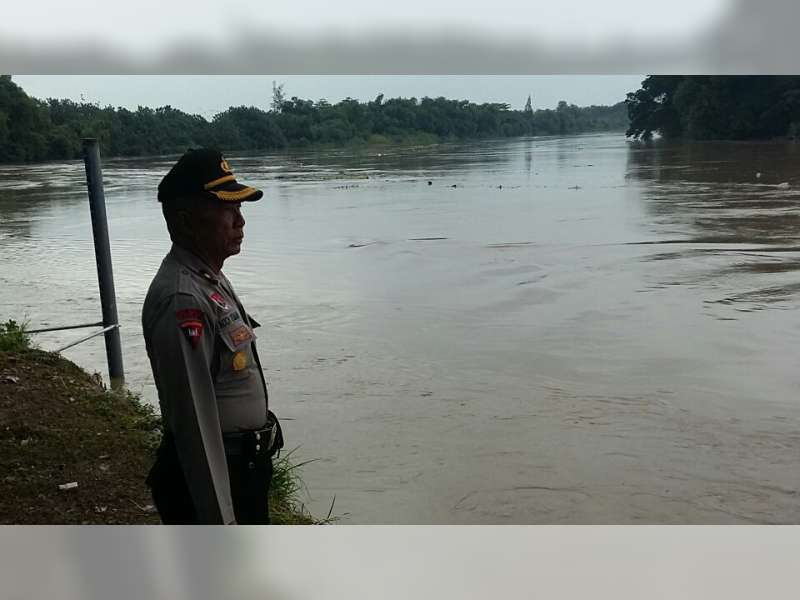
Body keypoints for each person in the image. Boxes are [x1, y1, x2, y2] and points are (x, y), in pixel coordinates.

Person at [142, 148, 282, 524]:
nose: (240, 221)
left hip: (244, 469)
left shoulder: (209, 275)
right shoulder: (182, 298)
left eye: (240, 209)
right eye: (226, 209)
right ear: (186, 221)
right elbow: (195, 427)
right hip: (219, 474)